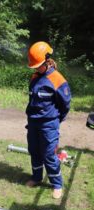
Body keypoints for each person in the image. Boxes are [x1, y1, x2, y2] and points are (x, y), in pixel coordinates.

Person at [25, 41, 71, 199]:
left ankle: (57, 184)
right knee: (34, 151)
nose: (35, 69)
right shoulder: (35, 77)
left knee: (49, 154)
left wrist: (55, 121)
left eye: (37, 65)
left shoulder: (58, 80)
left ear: (47, 61)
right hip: (33, 123)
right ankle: (36, 177)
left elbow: (65, 105)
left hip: (49, 125)